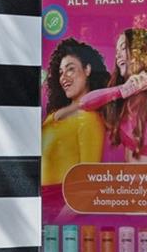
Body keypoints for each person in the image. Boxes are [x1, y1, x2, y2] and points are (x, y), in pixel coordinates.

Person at [49, 29, 147, 163]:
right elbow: (84, 103)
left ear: (142, 53)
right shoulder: (122, 104)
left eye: (124, 48)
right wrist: (123, 89)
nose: (118, 55)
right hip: (122, 181)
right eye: (117, 51)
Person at [42, 39, 109, 187]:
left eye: (70, 69)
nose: (63, 77)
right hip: (40, 201)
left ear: (87, 70)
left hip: (59, 202)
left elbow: (87, 181)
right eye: (61, 72)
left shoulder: (89, 119)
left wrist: (60, 210)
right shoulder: (54, 115)